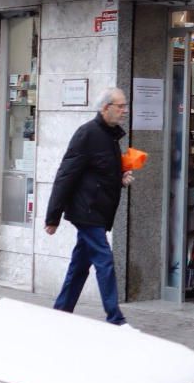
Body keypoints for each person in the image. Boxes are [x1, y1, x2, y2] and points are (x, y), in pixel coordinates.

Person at [45, 87, 134, 327]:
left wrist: (120, 178)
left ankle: (60, 312)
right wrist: (52, 217)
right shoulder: (87, 133)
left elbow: (101, 172)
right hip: (87, 211)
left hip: (99, 210)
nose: (125, 111)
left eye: (125, 106)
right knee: (104, 260)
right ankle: (115, 318)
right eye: (121, 106)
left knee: (80, 265)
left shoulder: (111, 136)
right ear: (106, 108)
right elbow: (66, 174)